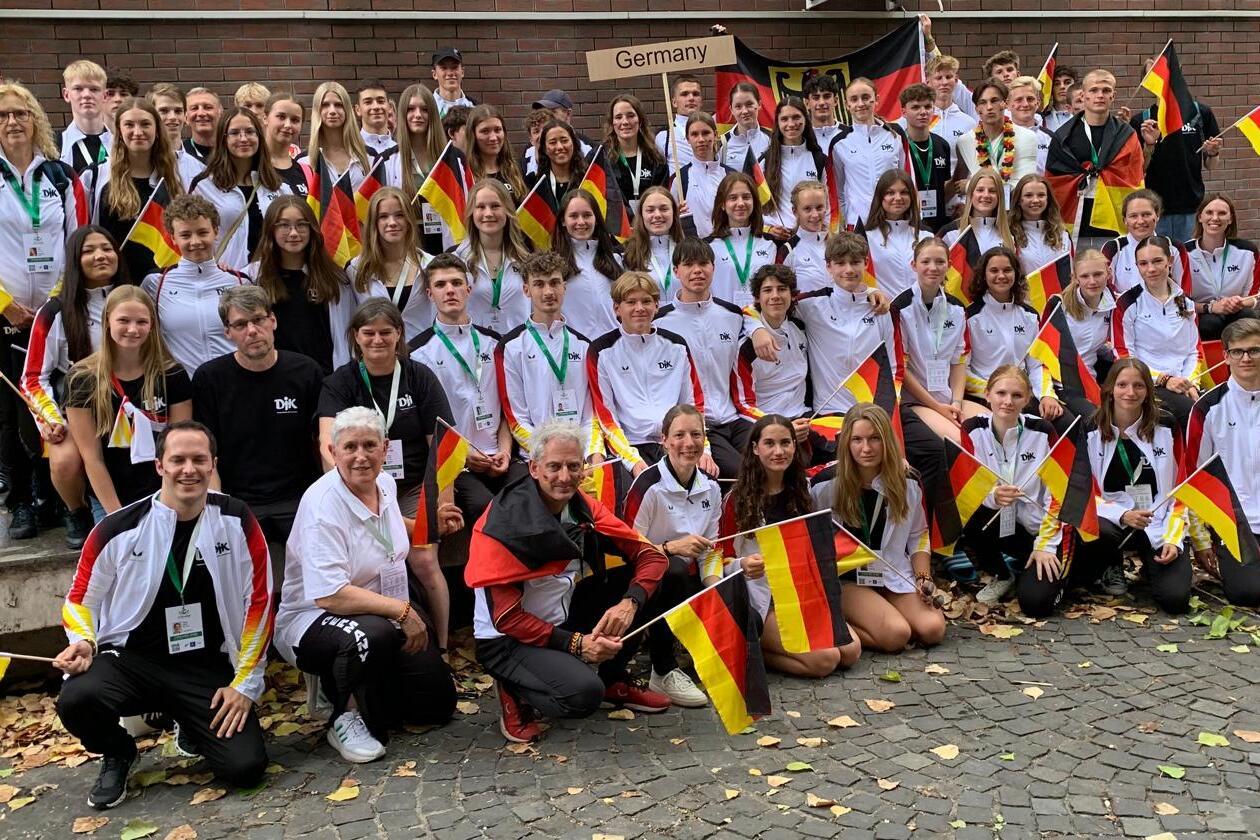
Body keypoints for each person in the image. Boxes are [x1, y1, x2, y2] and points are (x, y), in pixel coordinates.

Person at [54, 420, 272, 807]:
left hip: (205, 666)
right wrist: (85, 641)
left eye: (199, 460)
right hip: (133, 661)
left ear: (213, 464)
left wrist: (244, 684)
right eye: (178, 460)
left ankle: (187, 720)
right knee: (77, 698)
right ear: (159, 466)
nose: (189, 469)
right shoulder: (118, 529)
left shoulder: (237, 519)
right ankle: (118, 751)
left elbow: (260, 602)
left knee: (246, 767)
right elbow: (79, 600)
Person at [468, 420, 670, 743]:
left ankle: (614, 679)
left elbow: (651, 556)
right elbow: (507, 618)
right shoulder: (502, 520)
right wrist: (578, 644)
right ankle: (514, 687)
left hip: (560, 615)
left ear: (583, 470)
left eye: (573, 466)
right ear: (534, 468)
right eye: (554, 466)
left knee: (650, 582)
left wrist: (629, 603)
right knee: (583, 695)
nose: (565, 477)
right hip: (508, 639)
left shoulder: (581, 505)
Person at [274, 405, 456, 762]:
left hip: (380, 608)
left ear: (385, 449)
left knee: (436, 704)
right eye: (350, 447)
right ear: (332, 452)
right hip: (314, 618)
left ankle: (362, 686)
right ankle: (343, 713)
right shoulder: (322, 506)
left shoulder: (384, 483)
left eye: (370, 445)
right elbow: (330, 595)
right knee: (374, 633)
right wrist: (402, 611)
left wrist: (430, 524)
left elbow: (387, 523)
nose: (361, 456)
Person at [316, 299, 456, 650]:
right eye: (369, 333)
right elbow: (327, 445)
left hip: (412, 486)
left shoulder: (418, 376)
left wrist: (442, 505)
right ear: (355, 336)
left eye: (385, 332)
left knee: (424, 558)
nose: (377, 340)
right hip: (360, 489)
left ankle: (441, 646)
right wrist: (352, 493)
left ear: (399, 334)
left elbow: (443, 446)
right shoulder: (340, 381)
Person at [0, 79, 87, 537]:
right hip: (6, 316)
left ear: (35, 119)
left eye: (21, 113)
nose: (12, 122)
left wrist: (58, 298)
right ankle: (21, 502)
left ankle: (61, 499)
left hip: (55, 312)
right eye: (3, 115)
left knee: (58, 400)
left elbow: (79, 239)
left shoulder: (61, 176)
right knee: (12, 411)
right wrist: (5, 305)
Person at [191, 284, 321, 580]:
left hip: (299, 498)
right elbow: (207, 454)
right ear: (228, 332)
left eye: (258, 320)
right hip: (239, 500)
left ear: (273, 321)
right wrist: (217, 509)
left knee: (316, 578)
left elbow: (322, 441)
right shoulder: (209, 379)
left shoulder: (306, 371)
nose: (252, 331)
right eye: (240, 324)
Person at [720, 413, 859, 676]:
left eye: (785, 443)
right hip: (763, 599)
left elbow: (846, 464)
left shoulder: (805, 488)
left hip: (800, 593)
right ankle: (752, 648)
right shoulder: (736, 500)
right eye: (769, 443)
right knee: (825, 661)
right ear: (755, 448)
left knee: (851, 652)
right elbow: (720, 559)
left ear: (795, 446)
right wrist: (742, 564)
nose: (778, 451)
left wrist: (896, 460)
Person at [815, 403, 946, 650]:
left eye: (874, 438)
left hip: (891, 572)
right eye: (857, 440)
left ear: (887, 440)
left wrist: (923, 577)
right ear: (846, 442)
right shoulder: (825, 484)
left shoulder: (908, 481)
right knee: (897, 634)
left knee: (932, 629)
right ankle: (842, 627)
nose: (866, 448)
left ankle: (878, 618)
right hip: (847, 578)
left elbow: (918, 534)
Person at [23, 226, 124, 546]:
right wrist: (52, 420)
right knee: (65, 460)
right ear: (74, 260)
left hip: (128, 406)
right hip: (78, 409)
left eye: (107, 248)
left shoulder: (134, 299)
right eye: (88, 251)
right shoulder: (54, 311)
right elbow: (32, 377)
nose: (100, 256)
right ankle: (76, 510)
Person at [409, 253, 522, 526]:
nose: (450, 290)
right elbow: (424, 423)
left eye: (457, 283)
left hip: (499, 454)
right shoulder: (417, 353)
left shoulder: (495, 343)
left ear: (468, 290)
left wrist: (505, 452)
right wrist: (463, 456)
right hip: (455, 463)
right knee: (485, 506)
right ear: (430, 294)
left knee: (530, 491)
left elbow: (507, 408)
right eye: (441, 285)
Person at [622, 404, 720, 708]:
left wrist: (714, 586)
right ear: (664, 440)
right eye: (679, 435)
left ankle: (704, 656)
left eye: (696, 434)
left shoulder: (711, 487)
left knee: (736, 599)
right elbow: (628, 550)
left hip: (691, 581)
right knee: (673, 568)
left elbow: (712, 549)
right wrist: (670, 548)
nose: (688, 443)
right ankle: (663, 669)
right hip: (647, 580)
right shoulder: (648, 486)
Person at [65, 285, 192, 517]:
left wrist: (166, 506)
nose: (133, 329)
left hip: (163, 494)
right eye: (123, 320)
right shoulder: (82, 378)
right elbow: (92, 459)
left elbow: (179, 448)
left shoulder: (172, 374)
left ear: (152, 325)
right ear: (107, 321)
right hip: (110, 497)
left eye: (142, 322)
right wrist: (119, 517)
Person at [1078, 359, 1192, 610]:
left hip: (1156, 519)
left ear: (1149, 390)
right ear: (1110, 389)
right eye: (1122, 385)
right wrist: (1122, 514)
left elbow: (1181, 489)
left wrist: (1173, 538)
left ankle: (1150, 567)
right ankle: (1111, 564)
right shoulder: (1090, 427)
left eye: (1139, 385)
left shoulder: (1167, 425)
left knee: (1175, 599)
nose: (1130, 392)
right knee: (1100, 531)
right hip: (1112, 519)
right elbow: (1083, 491)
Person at [959, 366, 1066, 607]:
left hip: (1045, 529)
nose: (1008, 401)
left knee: (1035, 603)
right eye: (1001, 393)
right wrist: (992, 495)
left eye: (1017, 395)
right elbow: (967, 482)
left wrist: (1045, 544)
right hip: (1006, 523)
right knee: (967, 512)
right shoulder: (972, 429)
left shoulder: (1042, 431)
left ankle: (1066, 573)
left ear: (1027, 399)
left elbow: (1058, 492)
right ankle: (1003, 574)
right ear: (987, 394)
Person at [656, 237, 757, 479]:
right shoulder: (659, 322)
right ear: (676, 271)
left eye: (703, 263)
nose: (697, 271)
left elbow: (758, 319)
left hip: (735, 417)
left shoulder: (733, 315)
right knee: (743, 473)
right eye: (689, 264)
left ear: (713, 267)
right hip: (699, 424)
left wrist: (759, 329)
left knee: (775, 457)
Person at [586, 271, 704, 474]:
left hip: (675, 443)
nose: (639, 308)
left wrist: (703, 449)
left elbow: (693, 403)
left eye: (646, 301)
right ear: (617, 308)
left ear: (656, 305)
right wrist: (632, 461)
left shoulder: (676, 345)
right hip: (629, 445)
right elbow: (606, 417)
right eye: (631, 302)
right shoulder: (601, 351)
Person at [248, 195, 376, 375]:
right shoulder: (252, 278)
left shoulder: (335, 279)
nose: (293, 233)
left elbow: (347, 336)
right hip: (276, 380)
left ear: (312, 229)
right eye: (284, 225)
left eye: (301, 225)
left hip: (326, 379)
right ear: (271, 229)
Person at [495, 251, 601, 461]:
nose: (548, 291)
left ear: (564, 287)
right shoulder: (510, 347)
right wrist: (550, 454)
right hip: (535, 458)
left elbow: (591, 416)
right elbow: (516, 419)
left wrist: (593, 454)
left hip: (580, 457)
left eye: (554, 283)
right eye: (539, 284)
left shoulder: (584, 346)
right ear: (526, 290)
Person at [1186, 317, 1260, 607]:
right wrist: (1201, 540)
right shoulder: (1207, 408)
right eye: (1238, 351)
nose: (1246, 358)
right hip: (1234, 524)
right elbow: (1194, 476)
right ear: (1226, 356)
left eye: (1254, 350)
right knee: (1247, 593)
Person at [793, 231, 899, 424]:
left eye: (855, 262)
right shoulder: (811, 305)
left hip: (873, 411)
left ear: (866, 263)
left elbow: (892, 366)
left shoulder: (881, 308)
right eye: (840, 263)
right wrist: (756, 328)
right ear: (828, 266)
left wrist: (886, 409)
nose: (848, 269)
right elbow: (768, 306)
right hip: (829, 412)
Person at [140, 194, 246, 374]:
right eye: (185, 235)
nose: (195, 242)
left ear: (216, 231)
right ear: (173, 238)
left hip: (234, 383)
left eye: (203, 232)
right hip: (183, 387)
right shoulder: (155, 283)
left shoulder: (239, 281)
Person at [1112, 235, 1202, 429]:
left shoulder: (1185, 301)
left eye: (1157, 261)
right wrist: (1164, 379)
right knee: (1189, 412)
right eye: (1143, 263)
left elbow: (1195, 350)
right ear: (1137, 266)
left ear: (1170, 261)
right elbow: (1124, 355)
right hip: (1146, 383)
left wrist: (1190, 382)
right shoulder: (1126, 303)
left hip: (1184, 381)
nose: (1151, 269)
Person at [92, 97, 185, 283]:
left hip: (165, 284)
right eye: (129, 125)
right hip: (118, 285)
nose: (138, 132)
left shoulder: (174, 177)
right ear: (119, 131)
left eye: (145, 124)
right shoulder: (97, 176)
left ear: (157, 130)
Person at [1046, 69, 1140, 248]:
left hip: (1114, 222)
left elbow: (1134, 177)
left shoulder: (1126, 134)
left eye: (1106, 90)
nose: (1100, 95)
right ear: (1083, 95)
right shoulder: (1063, 136)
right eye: (1094, 90)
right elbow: (1054, 181)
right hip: (1074, 224)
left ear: (1113, 96)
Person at [961, 246, 1057, 421]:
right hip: (985, 396)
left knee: (1063, 420)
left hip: (1022, 395)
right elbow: (962, 370)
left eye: (1007, 270)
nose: (1001, 276)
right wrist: (996, 391)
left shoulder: (1030, 315)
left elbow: (1037, 364)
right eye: (994, 271)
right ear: (983, 275)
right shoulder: (969, 317)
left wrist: (1047, 395)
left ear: (1016, 273)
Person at [1132, 61, 1221, 242]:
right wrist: (1149, 146)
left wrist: (1213, 152)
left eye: (1167, 74)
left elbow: (1211, 165)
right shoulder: (1141, 121)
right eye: (1155, 75)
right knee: (1157, 258)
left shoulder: (1199, 114)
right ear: (1146, 81)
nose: (1163, 80)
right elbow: (1138, 170)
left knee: (1189, 258)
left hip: (1191, 208)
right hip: (1154, 210)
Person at [189, 108, 288, 271]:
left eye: (250, 131)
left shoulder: (279, 187)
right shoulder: (203, 185)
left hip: (272, 277)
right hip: (227, 278)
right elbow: (191, 235)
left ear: (259, 136)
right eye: (234, 133)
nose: (243, 138)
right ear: (223, 139)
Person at [892, 238, 968, 445]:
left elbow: (959, 361)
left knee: (990, 430)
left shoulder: (957, 309)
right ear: (913, 265)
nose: (933, 268)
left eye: (940, 262)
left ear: (949, 265)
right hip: (915, 401)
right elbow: (901, 369)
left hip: (949, 399)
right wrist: (938, 407)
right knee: (961, 442)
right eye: (925, 262)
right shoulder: (900, 308)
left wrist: (957, 402)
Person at [345, 187, 432, 336]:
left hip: (423, 350)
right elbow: (348, 324)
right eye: (383, 216)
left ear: (409, 220)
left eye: (399, 215)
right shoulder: (355, 269)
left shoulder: (429, 265)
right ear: (374, 222)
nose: (392, 222)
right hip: (375, 349)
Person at [736, 264, 809, 430]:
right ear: (757, 297)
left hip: (804, 415)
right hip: (765, 423)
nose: (775, 296)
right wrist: (781, 428)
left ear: (792, 295)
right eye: (768, 290)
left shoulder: (800, 328)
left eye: (782, 289)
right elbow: (743, 404)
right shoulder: (745, 346)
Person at [454, 179, 531, 333]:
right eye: (481, 207)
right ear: (472, 212)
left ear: (507, 210)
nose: (488, 213)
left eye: (495, 206)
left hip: (519, 345)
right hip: (474, 345)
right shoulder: (457, 261)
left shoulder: (526, 260)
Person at [828, 77, 905, 229]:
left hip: (893, 220)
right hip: (857, 224)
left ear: (876, 100)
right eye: (854, 99)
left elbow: (908, 179)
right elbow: (837, 190)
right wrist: (845, 223)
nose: (860, 104)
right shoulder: (839, 143)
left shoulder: (896, 135)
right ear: (847, 105)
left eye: (865, 97)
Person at [1048, 249, 1117, 417]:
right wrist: (1046, 394)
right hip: (1062, 384)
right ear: (1075, 278)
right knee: (1099, 421)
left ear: (1108, 273)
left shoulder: (1114, 304)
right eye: (1085, 276)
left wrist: (1108, 349)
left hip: (1091, 381)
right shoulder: (1058, 305)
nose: (1092, 281)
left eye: (1098, 274)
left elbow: (1092, 345)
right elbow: (1042, 354)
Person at [1183, 193, 1259, 340]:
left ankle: (1245, 353)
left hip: (1235, 311)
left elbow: (1255, 295)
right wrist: (1210, 307)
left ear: (1230, 219)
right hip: (1202, 312)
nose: (1215, 218)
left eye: (1222, 213)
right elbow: (1178, 300)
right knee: (1209, 323)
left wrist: (1238, 302)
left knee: (1247, 317)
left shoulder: (1248, 251)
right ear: (1200, 217)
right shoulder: (1184, 253)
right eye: (1209, 212)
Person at [551, 188, 623, 339]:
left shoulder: (616, 260)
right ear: (563, 221)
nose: (581, 222)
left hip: (613, 346)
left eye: (587, 215)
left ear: (596, 218)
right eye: (573, 216)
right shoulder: (553, 265)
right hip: (574, 348)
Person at [387, 84, 448, 254]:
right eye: (411, 109)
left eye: (425, 109)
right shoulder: (389, 160)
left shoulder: (451, 158)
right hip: (409, 243)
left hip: (446, 241)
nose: (418, 115)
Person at [706, 171, 780, 308]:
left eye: (746, 197)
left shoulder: (771, 244)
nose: (740, 203)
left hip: (759, 318)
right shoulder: (707, 246)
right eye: (733, 198)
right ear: (723, 204)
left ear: (754, 202)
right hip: (723, 318)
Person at [1101, 190, 1191, 297]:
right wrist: (1133, 303)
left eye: (1146, 214)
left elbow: (1184, 292)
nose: (1140, 221)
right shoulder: (1112, 248)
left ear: (1157, 216)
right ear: (1125, 220)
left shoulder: (1175, 248)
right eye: (1133, 216)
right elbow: (1105, 291)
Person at [760, 97, 828, 237]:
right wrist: (768, 229)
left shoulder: (819, 159)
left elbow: (829, 202)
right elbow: (756, 204)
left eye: (796, 117)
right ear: (778, 123)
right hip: (775, 239)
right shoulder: (765, 161)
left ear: (805, 119)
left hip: (811, 237)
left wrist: (825, 230)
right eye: (784, 119)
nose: (791, 124)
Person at [955, 81, 1038, 194]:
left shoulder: (1027, 137)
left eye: (994, 101)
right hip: (978, 205)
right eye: (983, 102)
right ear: (977, 109)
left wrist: (970, 186)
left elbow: (1024, 187)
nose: (989, 107)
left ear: (1005, 104)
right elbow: (957, 183)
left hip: (1014, 205)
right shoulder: (965, 141)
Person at [897, 83, 954, 234]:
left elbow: (945, 185)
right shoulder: (898, 146)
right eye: (915, 107)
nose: (923, 112)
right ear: (904, 112)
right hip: (908, 223)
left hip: (939, 222)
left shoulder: (942, 145)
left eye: (927, 107)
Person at [864, 169, 931, 299]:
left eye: (904, 192)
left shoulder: (926, 235)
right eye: (890, 193)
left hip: (919, 308)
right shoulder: (866, 238)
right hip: (884, 308)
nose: (898, 198)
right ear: (880, 196)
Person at [671, 112, 731, 240]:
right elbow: (671, 221)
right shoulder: (680, 179)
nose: (701, 139)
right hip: (696, 248)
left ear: (715, 135)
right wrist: (676, 215)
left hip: (727, 245)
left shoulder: (730, 176)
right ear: (687, 138)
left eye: (705, 133)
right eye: (694, 134)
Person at [303, 82, 372, 191]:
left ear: (347, 110)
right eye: (325, 105)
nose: (332, 111)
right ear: (317, 110)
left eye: (338, 105)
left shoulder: (369, 157)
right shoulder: (304, 162)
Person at [606, 94, 668, 212]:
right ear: (612, 123)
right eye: (618, 117)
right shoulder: (603, 159)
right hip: (617, 222)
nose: (625, 122)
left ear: (640, 120)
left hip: (650, 220)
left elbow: (663, 197)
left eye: (630, 116)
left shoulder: (656, 159)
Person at [622, 185, 685, 301]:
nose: (657, 215)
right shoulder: (626, 254)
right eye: (650, 210)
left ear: (674, 213)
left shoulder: (687, 250)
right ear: (641, 215)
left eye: (664, 209)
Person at [1009, 173, 1071, 279]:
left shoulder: (1062, 234)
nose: (1035, 200)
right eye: (1028, 195)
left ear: (1048, 199)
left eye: (1041, 195)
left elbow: (1071, 273)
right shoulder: (1009, 233)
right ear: (1019, 200)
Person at [940, 168, 1015, 254]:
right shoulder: (950, 232)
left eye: (992, 191)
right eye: (980, 190)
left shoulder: (1009, 236)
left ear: (999, 197)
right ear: (971, 194)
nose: (986, 195)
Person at [523, 90, 594, 176]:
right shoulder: (529, 152)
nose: (546, 116)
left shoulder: (590, 148)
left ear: (568, 114)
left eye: (552, 111)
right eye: (543, 112)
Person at [58, 60, 111, 173]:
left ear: (105, 96)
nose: (86, 95)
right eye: (78, 89)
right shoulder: (55, 146)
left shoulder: (120, 144)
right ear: (66, 95)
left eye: (94, 89)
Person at [465, 104, 527, 203]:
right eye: (485, 131)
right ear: (473, 135)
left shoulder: (516, 170)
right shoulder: (465, 174)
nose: (493, 138)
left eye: (497, 130)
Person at [148, 83, 204, 189]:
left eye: (178, 111)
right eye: (164, 111)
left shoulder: (200, 167)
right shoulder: (141, 162)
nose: (173, 117)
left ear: (185, 116)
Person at [924, 55, 978, 162]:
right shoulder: (919, 120)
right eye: (939, 78)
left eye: (948, 77)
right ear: (928, 81)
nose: (944, 82)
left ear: (956, 80)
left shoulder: (969, 123)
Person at [780, 181, 831, 293]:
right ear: (795, 212)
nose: (815, 215)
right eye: (807, 209)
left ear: (826, 208)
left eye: (819, 207)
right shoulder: (788, 250)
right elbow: (782, 292)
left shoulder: (837, 244)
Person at [525, 119, 584, 215]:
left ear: (573, 143)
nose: (560, 147)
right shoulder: (534, 184)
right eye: (552, 142)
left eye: (564, 141)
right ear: (544, 149)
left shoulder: (587, 180)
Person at [262, 92, 310, 198]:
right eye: (281, 117)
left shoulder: (307, 173)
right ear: (265, 118)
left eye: (295, 120)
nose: (288, 125)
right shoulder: (249, 165)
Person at [1006, 76, 1054, 173]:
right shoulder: (997, 137)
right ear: (1008, 104)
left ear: (1038, 103)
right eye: (1019, 99)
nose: (1025, 104)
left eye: (1030, 99)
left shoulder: (1050, 138)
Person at [656, 74, 703, 173]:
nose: (691, 98)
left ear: (701, 100)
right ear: (674, 102)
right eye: (685, 94)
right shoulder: (664, 136)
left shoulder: (712, 132)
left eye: (695, 94)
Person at [719, 82, 771, 170]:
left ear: (759, 104)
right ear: (731, 110)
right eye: (738, 106)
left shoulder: (772, 140)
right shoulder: (722, 144)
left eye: (749, 104)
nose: (745, 111)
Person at [354, 79, 394, 157]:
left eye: (380, 101)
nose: (376, 107)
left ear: (389, 107)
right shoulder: (349, 151)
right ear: (358, 110)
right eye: (368, 102)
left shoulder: (403, 152)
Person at [432, 47, 476, 117]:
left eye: (454, 67)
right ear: (434, 74)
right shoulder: (425, 107)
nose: (450, 73)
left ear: (462, 72)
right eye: (444, 68)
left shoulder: (475, 108)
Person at [182, 88, 222, 165]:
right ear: (186, 117)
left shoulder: (233, 151)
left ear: (220, 114)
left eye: (208, 107)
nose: (201, 113)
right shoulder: (179, 155)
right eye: (194, 108)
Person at [803, 74, 844, 148]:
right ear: (807, 103)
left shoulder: (850, 135)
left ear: (835, 101)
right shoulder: (801, 138)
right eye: (816, 98)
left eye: (827, 96)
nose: (821, 102)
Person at [1043, 65, 1077, 133]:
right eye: (1057, 83)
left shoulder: (1085, 117)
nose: (1062, 86)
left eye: (1067, 82)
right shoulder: (1042, 121)